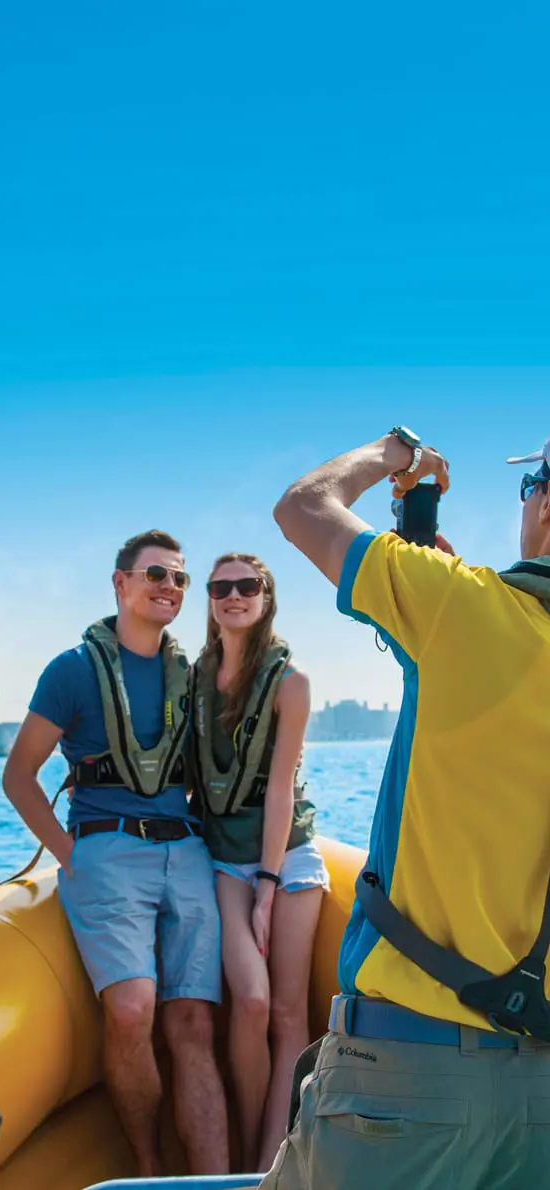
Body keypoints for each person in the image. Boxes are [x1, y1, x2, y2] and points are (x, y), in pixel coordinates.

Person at [259, 427, 550, 1190]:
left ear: (546, 506)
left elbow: (304, 508)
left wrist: (394, 458)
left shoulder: (461, 608)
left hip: (405, 1089)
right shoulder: (460, 609)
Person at [2, 529, 229, 1179]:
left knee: (192, 1023)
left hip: (184, 853)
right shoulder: (71, 671)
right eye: (156, 574)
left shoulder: (193, 675)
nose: (170, 587)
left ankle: (214, 1181)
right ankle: (149, 1169)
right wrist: (71, 855)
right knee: (132, 1009)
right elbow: (19, 775)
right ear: (120, 583)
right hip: (106, 852)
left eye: (181, 579)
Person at [190, 552, 328, 1173]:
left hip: (288, 858)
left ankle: (271, 1164)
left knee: (287, 1011)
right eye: (222, 587)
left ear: (266, 597)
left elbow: (280, 789)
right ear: (211, 600)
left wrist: (268, 886)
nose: (234, 595)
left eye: (249, 586)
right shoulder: (193, 679)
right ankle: (247, 1150)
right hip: (223, 861)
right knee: (248, 1000)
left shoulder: (291, 683)